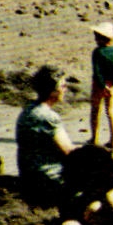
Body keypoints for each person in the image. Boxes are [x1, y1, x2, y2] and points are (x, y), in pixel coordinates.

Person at [16, 65, 76, 207]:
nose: (65, 88)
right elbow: (69, 152)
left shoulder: (28, 109)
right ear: (52, 91)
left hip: (28, 173)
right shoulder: (48, 117)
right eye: (62, 86)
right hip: (49, 176)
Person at [90, 22, 113, 152]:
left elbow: (97, 71)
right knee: (110, 111)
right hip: (112, 84)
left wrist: (102, 85)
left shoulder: (98, 52)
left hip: (98, 85)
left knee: (95, 110)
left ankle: (94, 138)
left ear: (101, 38)